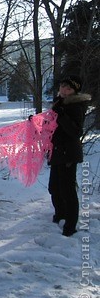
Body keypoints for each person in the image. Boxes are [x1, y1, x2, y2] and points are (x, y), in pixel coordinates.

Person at [48, 75, 91, 237]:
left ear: (75, 91)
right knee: (54, 187)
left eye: (68, 88)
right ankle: (60, 214)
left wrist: (62, 115)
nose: (64, 91)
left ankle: (70, 225)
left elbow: (75, 131)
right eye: (62, 87)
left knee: (67, 190)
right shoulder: (58, 104)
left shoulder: (75, 106)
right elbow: (50, 127)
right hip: (57, 152)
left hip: (68, 154)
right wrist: (36, 122)